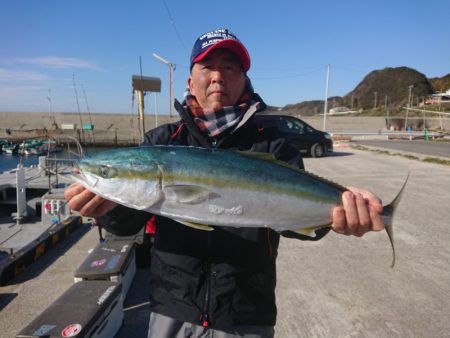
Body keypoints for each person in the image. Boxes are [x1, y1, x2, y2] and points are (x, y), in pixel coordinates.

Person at [65, 28, 385, 338]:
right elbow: (127, 221)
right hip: (172, 309)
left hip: (246, 313)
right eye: (208, 67)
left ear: (244, 80)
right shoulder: (161, 141)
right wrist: (107, 208)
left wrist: (337, 216)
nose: (218, 76)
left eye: (229, 67)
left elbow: (297, 225)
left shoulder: (272, 146)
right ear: (191, 81)